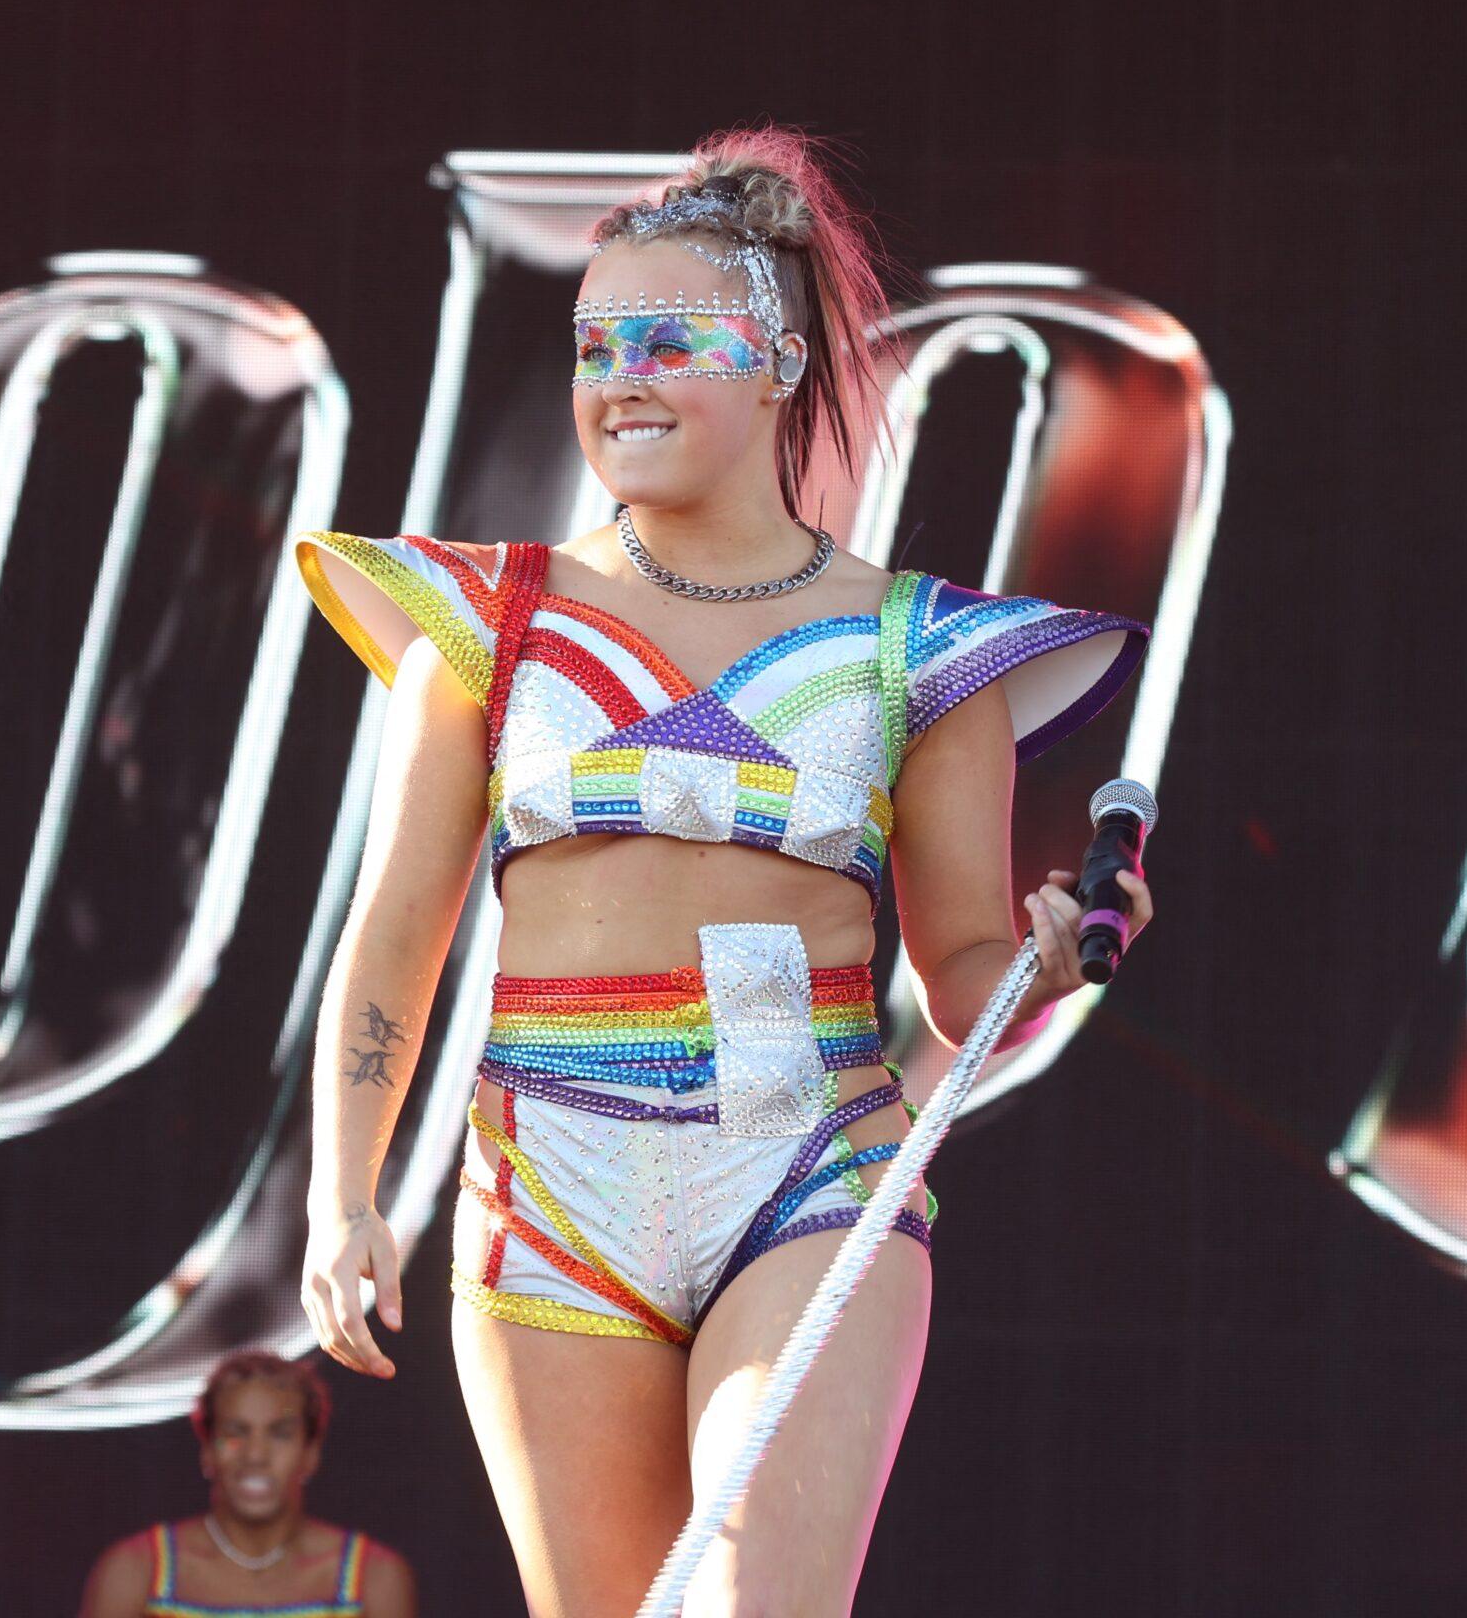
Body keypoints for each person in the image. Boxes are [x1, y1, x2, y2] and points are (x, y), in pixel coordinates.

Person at [294, 125, 1152, 1618]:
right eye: (593, 342)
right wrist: (344, 1195)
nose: (619, 376)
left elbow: (965, 995)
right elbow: (393, 938)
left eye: (669, 338)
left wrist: (1051, 959)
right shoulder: (489, 625)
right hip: (551, 1188)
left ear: (780, 365)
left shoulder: (915, 650)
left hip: (806, 1166)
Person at [78, 1350, 415, 1618]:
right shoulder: (136, 1570)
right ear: (207, 1451)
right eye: (235, 1433)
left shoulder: (373, 1577)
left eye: (280, 1434)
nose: (255, 1455)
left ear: (310, 1453)